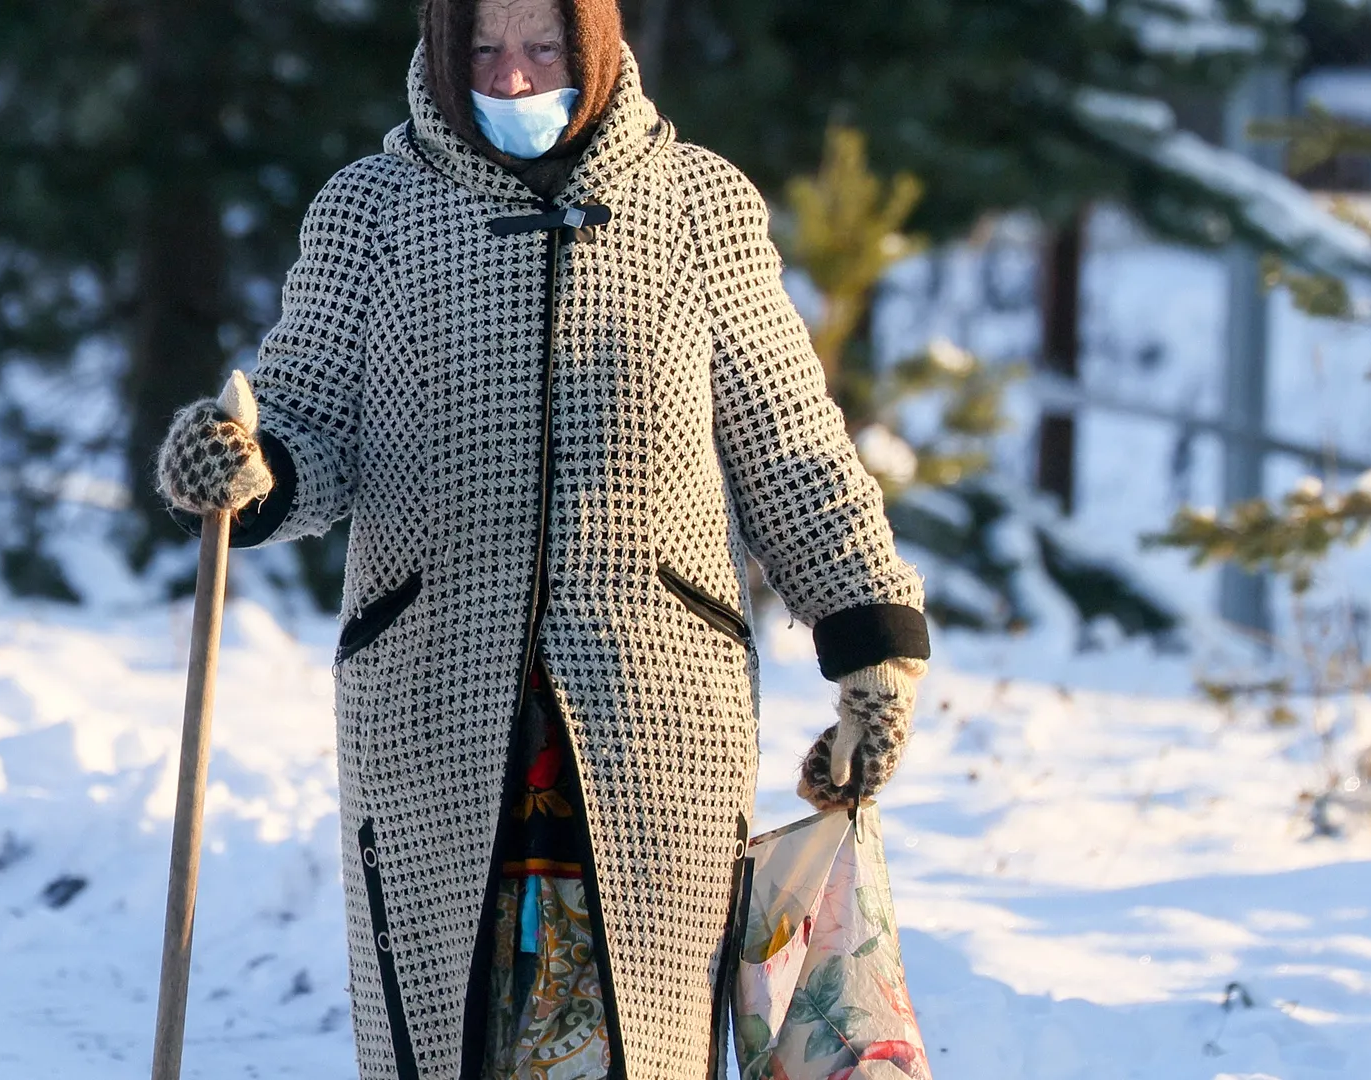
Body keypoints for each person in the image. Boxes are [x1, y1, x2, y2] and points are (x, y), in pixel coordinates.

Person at [154, 1, 929, 1077]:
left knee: (637, 1045)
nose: (511, 79)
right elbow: (307, 419)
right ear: (440, 47)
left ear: (595, 45)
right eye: (481, 49)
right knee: (449, 1035)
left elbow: (790, 443)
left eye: (542, 47)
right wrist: (249, 467)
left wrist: (873, 656)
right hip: (434, 710)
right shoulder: (371, 213)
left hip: (655, 719)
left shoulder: (698, 205)